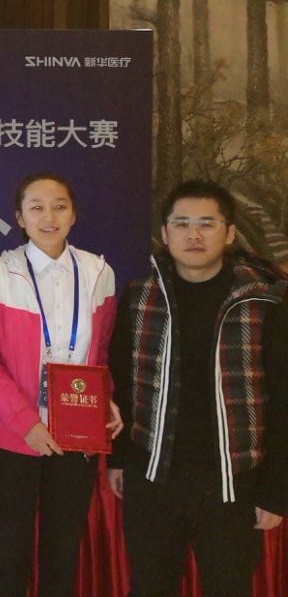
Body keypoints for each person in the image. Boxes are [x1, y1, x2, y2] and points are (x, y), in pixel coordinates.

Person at [107, 179, 287, 596]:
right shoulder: (140, 295)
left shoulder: (265, 301)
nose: (194, 234)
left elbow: (283, 398)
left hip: (232, 478)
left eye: (207, 223)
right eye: (182, 223)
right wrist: (119, 458)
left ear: (229, 233)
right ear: (165, 232)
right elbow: (121, 382)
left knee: (229, 587)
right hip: (152, 474)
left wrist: (276, 490)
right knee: (149, 587)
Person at [0, 172, 122, 597]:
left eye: (59, 207)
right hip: (13, 437)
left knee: (62, 551)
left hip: (77, 436)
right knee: (10, 554)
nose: (48, 217)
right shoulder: (0, 273)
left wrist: (106, 400)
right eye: (36, 207)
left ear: (73, 215)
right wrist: (28, 423)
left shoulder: (98, 272)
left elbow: (102, 354)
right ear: (20, 217)